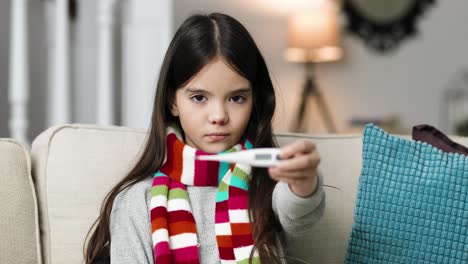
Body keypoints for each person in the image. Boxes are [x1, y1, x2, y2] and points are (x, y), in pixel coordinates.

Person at [84, 12, 325, 264]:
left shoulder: (266, 184)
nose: (219, 116)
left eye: (237, 98)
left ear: (254, 101)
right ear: (172, 101)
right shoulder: (137, 200)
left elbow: (299, 214)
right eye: (199, 98)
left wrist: (303, 182)